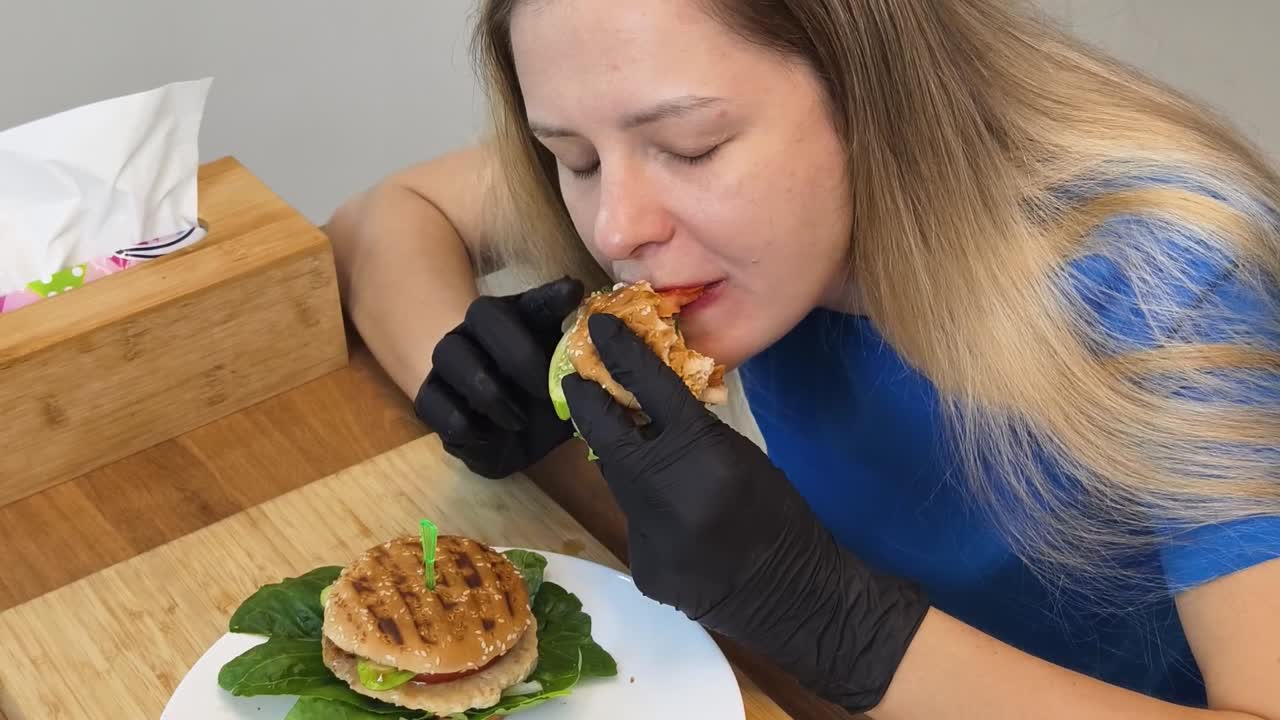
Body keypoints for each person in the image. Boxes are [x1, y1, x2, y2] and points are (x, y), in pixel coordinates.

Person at [323, 0, 1280, 717]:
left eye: (691, 147)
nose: (615, 229)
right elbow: (380, 220)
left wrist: (842, 625)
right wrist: (482, 385)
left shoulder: (1170, 283)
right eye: (575, 160)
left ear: (875, 96)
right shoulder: (732, 239)